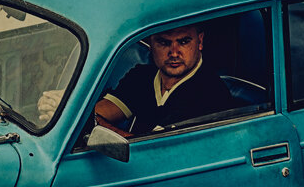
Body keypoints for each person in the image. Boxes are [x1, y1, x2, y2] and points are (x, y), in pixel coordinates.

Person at [39, 22, 235, 135]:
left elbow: (148, 151)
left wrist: (87, 123)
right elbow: (102, 112)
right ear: (151, 43)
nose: (174, 53)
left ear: (199, 42)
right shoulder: (142, 76)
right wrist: (62, 107)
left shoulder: (210, 93)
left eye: (183, 42)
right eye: (164, 43)